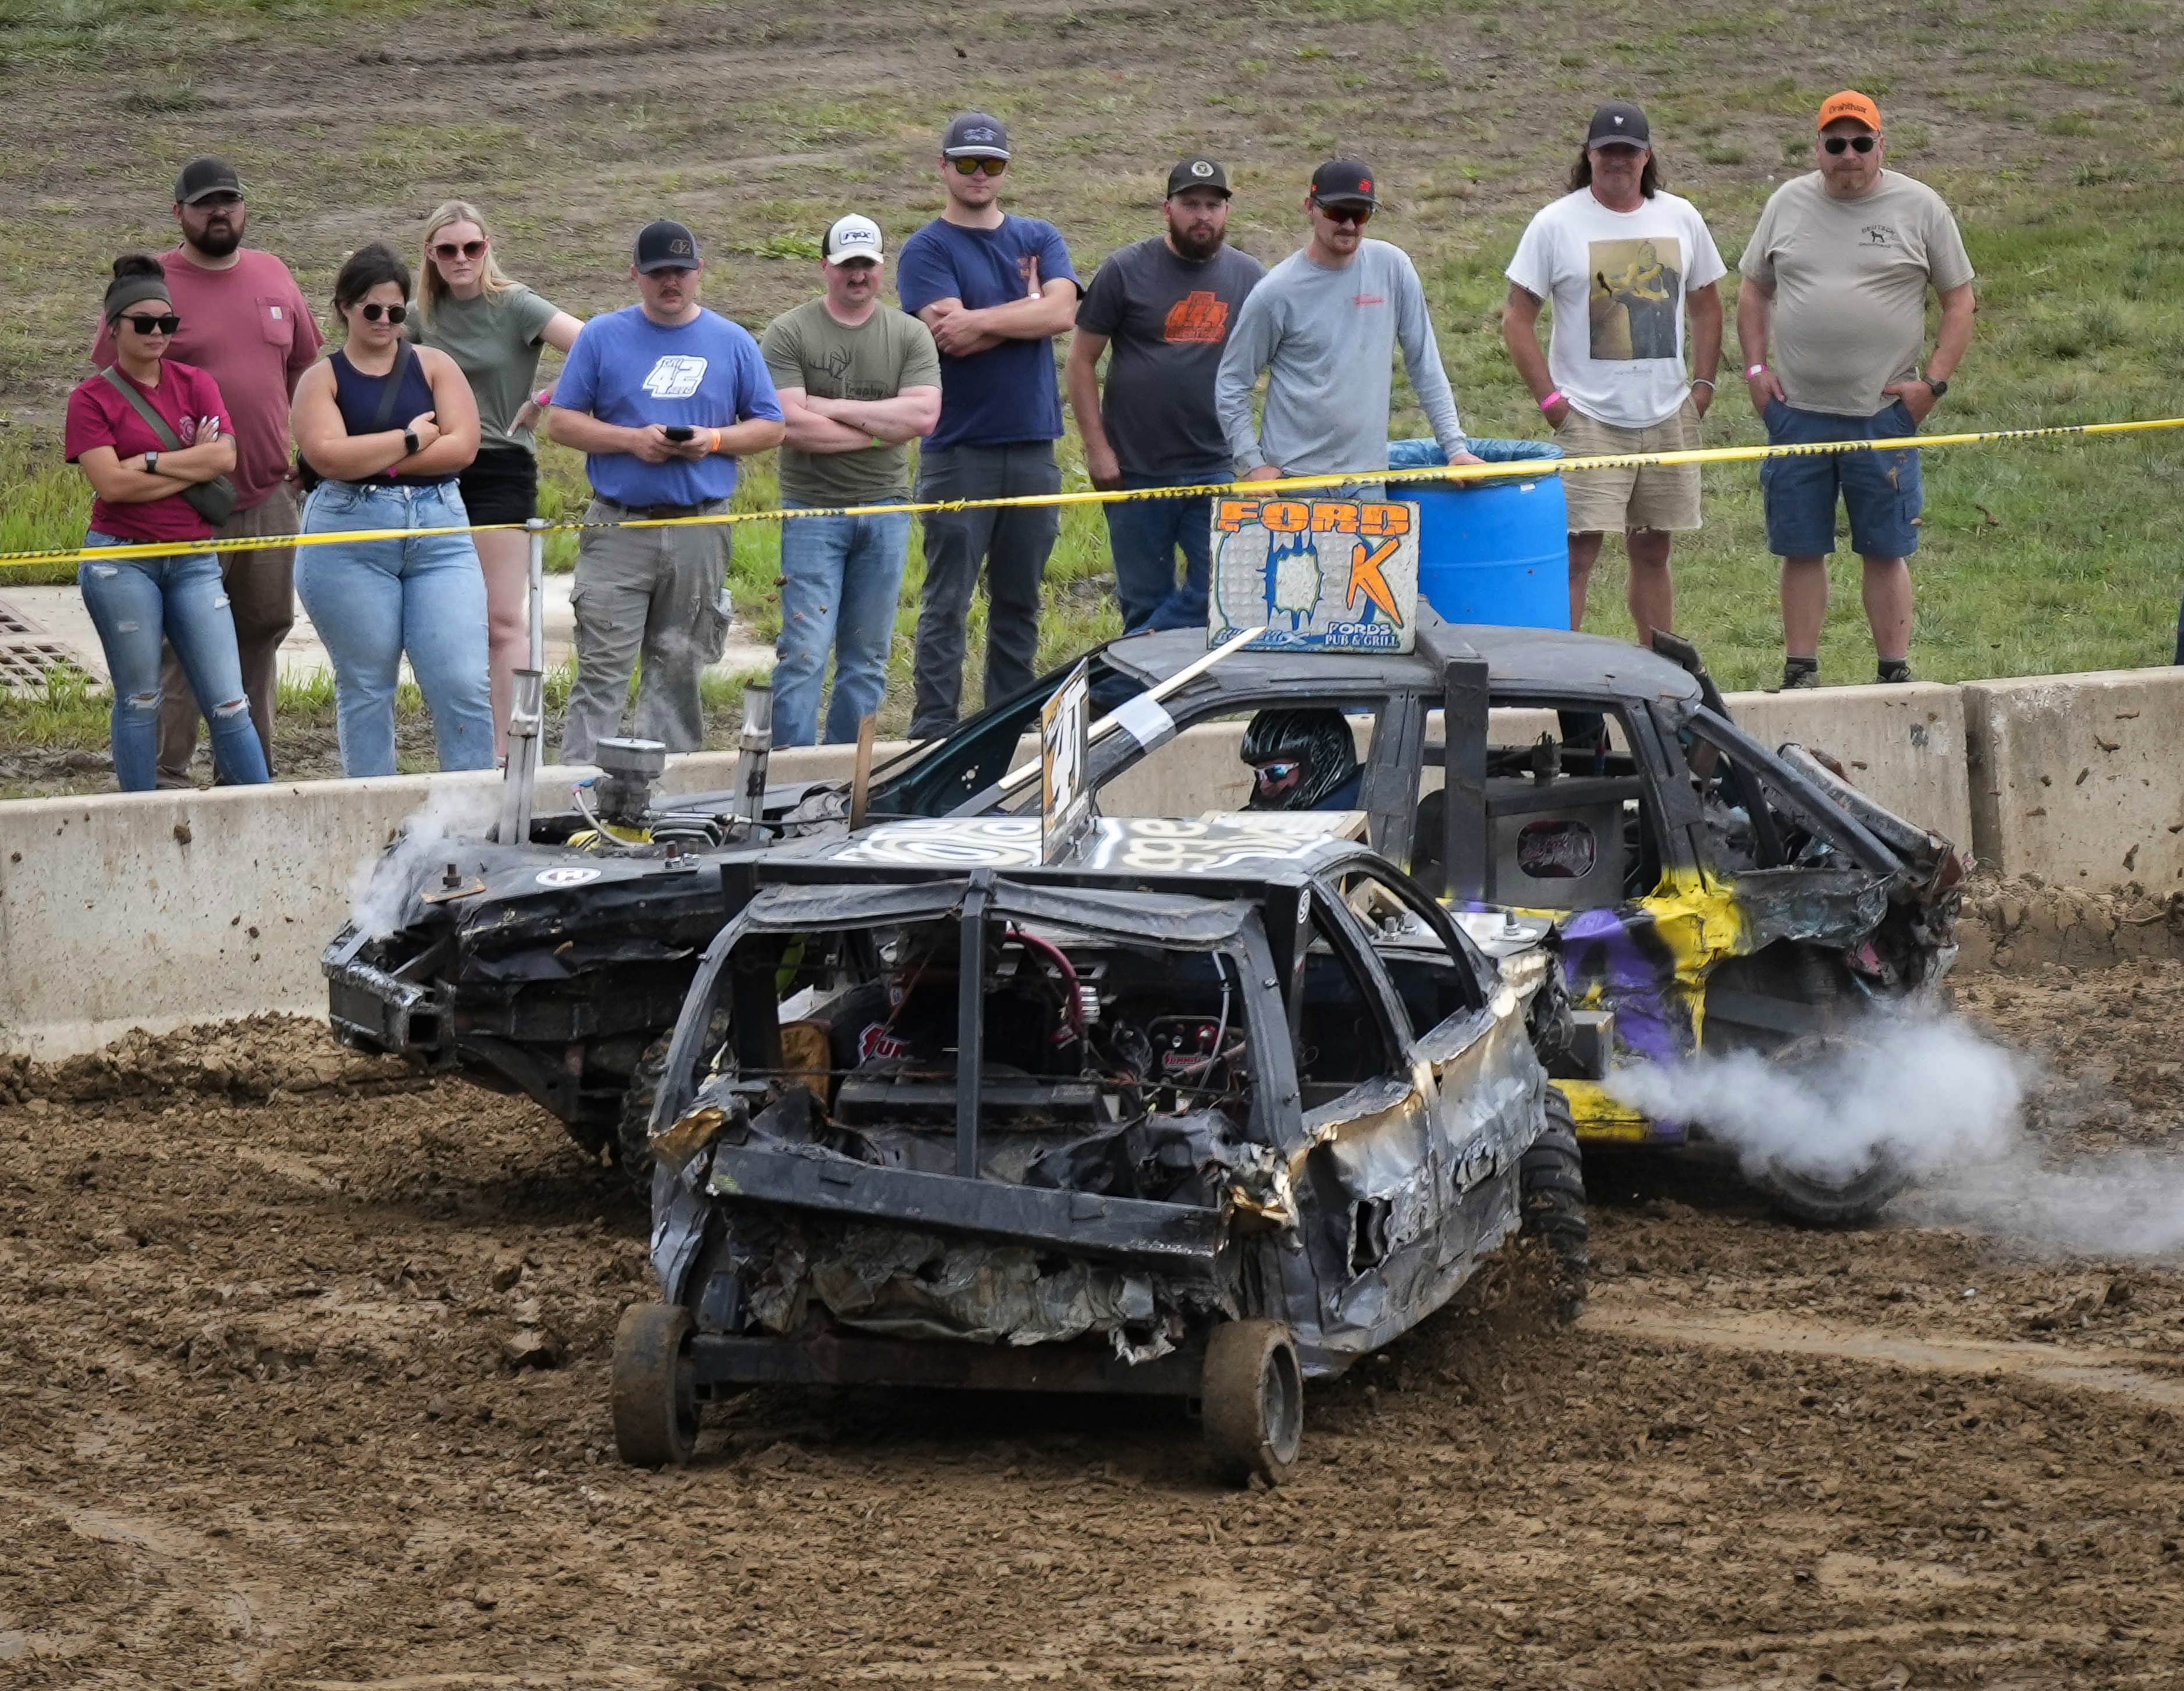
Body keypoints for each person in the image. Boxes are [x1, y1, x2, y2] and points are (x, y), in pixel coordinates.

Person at [91, 158, 321, 785]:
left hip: (270, 491)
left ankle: (248, 778)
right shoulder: (150, 285)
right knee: (179, 645)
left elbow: (304, 368)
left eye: (229, 200)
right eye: (204, 203)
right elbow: (110, 383)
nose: (219, 212)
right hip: (182, 501)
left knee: (263, 631)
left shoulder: (275, 274)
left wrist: (309, 447)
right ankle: (167, 775)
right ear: (179, 213)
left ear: (244, 207)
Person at [1738, 90, 1976, 687]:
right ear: (1818, 147)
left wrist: (1933, 384)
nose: (1849, 154)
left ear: (1880, 146)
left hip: (1882, 415)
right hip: (1795, 413)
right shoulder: (1786, 203)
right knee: (1800, 545)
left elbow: (1958, 300)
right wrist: (1754, 370)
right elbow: (1752, 290)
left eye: (1861, 142)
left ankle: (1893, 671)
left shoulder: (1920, 207)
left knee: (1885, 545)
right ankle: (1800, 670)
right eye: (1836, 143)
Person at [546, 220, 784, 763]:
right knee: (603, 670)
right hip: (618, 526)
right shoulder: (601, 337)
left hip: (701, 526)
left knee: (678, 669)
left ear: (700, 272)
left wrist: (716, 439)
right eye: (657, 273)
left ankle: (670, 800)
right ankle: (578, 796)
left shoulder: (733, 342)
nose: (669, 282)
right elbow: (561, 423)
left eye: (680, 271)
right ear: (635, 275)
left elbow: (772, 426)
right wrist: (632, 441)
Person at [1504, 102, 1726, 645]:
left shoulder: (1681, 216)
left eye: (1629, 152)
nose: (1618, 162)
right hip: (1590, 417)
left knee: (1654, 549)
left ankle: (1660, 674)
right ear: (1590, 155)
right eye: (1607, 151)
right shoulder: (1556, 223)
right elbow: (1517, 318)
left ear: (1647, 157)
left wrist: (1702, 387)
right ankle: (1562, 673)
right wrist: (1553, 404)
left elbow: (1707, 304)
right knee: (1578, 550)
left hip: (1667, 412)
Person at [896, 113, 1080, 739]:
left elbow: (1062, 313)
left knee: (1019, 600)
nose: (980, 175)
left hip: (1033, 445)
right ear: (943, 167)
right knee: (946, 600)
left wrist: (1005, 316)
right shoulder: (927, 248)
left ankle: (1009, 722)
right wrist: (1026, 306)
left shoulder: (1039, 233)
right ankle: (934, 728)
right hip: (958, 448)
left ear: (1006, 168)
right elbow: (948, 332)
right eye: (968, 163)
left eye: (992, 164)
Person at [290, 242, 495, 777]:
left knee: (462, 679)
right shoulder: (322, 378)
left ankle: (472, 813)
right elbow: (328, 456)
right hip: (349, 537)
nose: (385, 321)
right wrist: (408, 441)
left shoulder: (435, 365)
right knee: (366, 683)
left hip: (439, 530)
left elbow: (463, 447)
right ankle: (372, 814)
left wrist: (374, 459)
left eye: (397, 311)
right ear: (344, 308)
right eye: (372, 310)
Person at [65, 256, 269, 791]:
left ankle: (260, 812)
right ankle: (140, 818)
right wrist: (186, 463)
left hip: (194, 559)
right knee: (140, 697)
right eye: (144, 323)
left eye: (168, 323)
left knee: (228, 700)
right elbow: (112, 487)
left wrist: (150, 462)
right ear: (113, 328)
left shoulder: (195, 382)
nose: (158, 333)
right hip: (121, 559)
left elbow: (224, 460)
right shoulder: (89, 398)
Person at [760, 215, 941, 748]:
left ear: (882, 268)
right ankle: (788, 775)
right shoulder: (789, 331)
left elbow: (925, 417)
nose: (857, 275)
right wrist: (885, 429)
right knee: (805, 651)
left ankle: (845, 777)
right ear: (825, 268)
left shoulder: (911, 334)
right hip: (813, 510)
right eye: (846, 265)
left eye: (867, 264)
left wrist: (830, 407)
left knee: (867, 657)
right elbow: (788, 425)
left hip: (887, 510)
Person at [411, 200, 584, 755]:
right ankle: (467, 749)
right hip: (432, 468)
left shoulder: (515, 304)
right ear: (431, 256)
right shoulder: (418, 318)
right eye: (448, 249)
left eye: (472, 247)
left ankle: (514, 754)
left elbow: (598, 345)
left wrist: (544, 397)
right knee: (448, 622)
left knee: (503, 619)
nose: (461, 258)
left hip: (500, 465)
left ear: (487, 248)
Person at [1066, 158, 1265, 634]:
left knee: (1222, 590)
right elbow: (1079, 361)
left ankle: (1129, 674)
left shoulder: (1251, 278)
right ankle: (1137, 690)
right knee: (1142, 597)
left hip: (1216, 466)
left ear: (1226, 212)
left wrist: (1261, 458)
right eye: (1191, 204)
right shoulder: (1124, 270)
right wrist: (1097, 449)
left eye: (1213, 205)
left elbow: (1285, 361)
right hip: (1137, 471)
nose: (1203, 215)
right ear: (1167, 209)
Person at [1216, 159, 1481, 493]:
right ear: (1310, 209)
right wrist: (1251, 464)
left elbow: (1424, 364)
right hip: (1295, 483)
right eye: (1337, 213)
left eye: (1362, 214)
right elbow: (1232, 382)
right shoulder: (1276, 293)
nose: (1350, 225)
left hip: (1368, 481)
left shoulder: (1393, 268)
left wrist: (1456, 449)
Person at [1240, 709, 1361, 812]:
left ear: (1319, 764)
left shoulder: (1356, 824)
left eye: (1276, 771)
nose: (1264, 785)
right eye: (1260, 774)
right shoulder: (1252, 822)